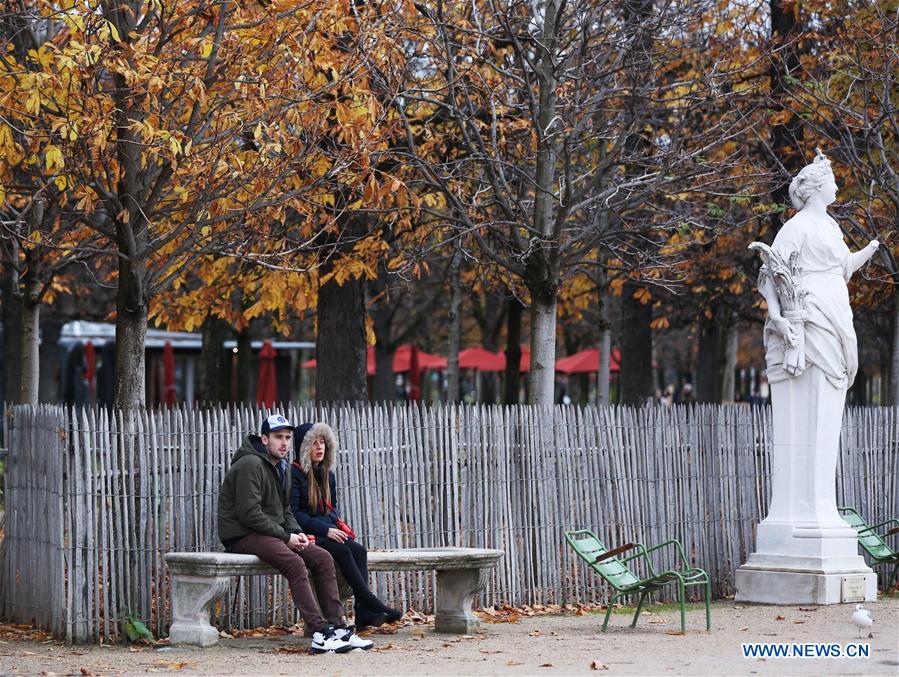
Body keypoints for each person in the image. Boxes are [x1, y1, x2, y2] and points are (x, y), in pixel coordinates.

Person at [217, 414, 373, 653]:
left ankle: (338, 627)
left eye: (288, 438)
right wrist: (285, 536)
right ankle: (320, 632)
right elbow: (249, 514)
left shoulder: (281, 466)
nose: (284, 443)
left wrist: (297, 533)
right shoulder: (250, 464)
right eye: (278, 437)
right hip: (242, 534)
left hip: (269, 532)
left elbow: (286, 510)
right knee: (295, 563)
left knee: (322, 557)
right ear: (264, 438)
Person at [291, 422, 403, 629]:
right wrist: (325, 530)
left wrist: (335, 524)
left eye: (322, 442)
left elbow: (333, 507)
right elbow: (294, 513)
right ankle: (371, 602)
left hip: (329, 530)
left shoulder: (327, 474)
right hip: (309, 535)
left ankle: (363, 613)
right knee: (342, 551)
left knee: (359, 550)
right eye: (313, 443)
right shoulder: (294, 473)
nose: (319, 447)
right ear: (303, 448)